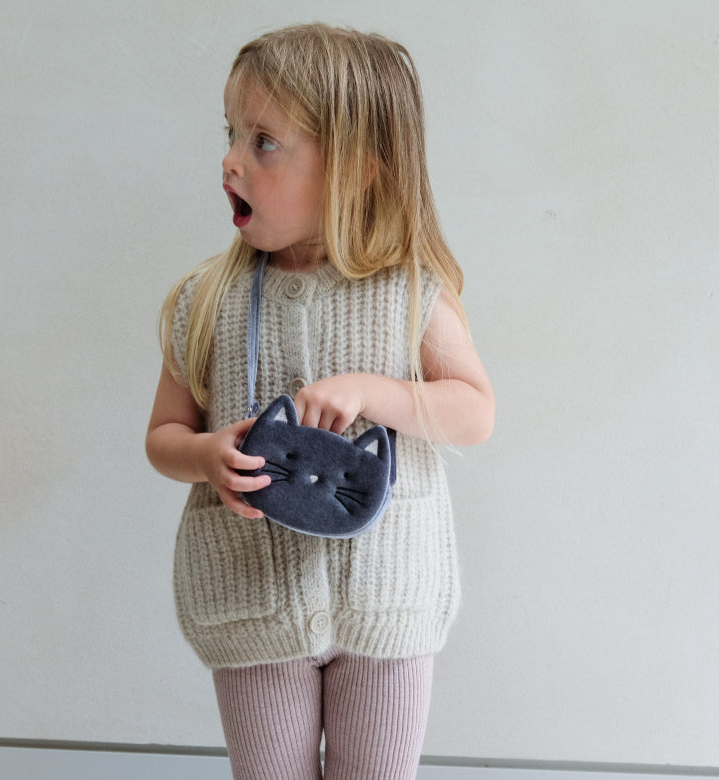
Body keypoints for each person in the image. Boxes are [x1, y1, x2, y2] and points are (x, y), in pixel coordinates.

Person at [146, 23, 494, 780]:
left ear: (356, 171)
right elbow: (163, 436)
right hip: (253, 605)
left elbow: (475, 411)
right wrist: (205, 455)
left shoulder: (410, 295)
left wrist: (377, 392)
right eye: (232, 133)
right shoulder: (204, 302)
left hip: (387, 605)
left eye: (264, 141)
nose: (231, 158)